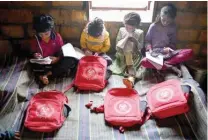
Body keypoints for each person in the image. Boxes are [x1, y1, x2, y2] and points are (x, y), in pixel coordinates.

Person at [30, 14, 78, 86]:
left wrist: (58, 58)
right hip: (43, 63)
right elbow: (33, 52)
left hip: (56, 62)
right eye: (40, 34)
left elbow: (62, 51)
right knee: (32, 64)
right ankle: (42, 76)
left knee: (70, 60)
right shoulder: (35, 39)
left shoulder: (57, 37)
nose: (43, 37)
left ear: (51, 29)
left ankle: (47, 74)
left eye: (46, 34)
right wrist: (36, 55)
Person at [142, 3, 182, 76]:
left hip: (166, 54)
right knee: (144, 62)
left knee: (187, 52)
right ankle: (169, 67)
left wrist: (169, 49)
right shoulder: (153, 26)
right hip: (154, 53)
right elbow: (147, 41)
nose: (165, 23)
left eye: (168, 21)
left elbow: (173, 43)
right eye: (163, 20)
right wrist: (150, 50)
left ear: (173, 19)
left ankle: (163, 65)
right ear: (160, 16)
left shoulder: (173, 27)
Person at [110, 12, 144, 88]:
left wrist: (135, 41)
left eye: (131, 28)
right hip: (122, 54)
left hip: (134, 55)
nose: (128, 29)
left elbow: (140, 47)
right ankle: (131, 77)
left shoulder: (140, 33)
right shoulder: (122, 30)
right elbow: (117, 45)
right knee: (129, 64)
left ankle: (131, 81)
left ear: (136, 26)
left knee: (133, 66)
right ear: (124, 24)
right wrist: (124, 41)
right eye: (126, 27)